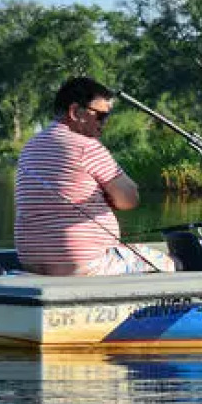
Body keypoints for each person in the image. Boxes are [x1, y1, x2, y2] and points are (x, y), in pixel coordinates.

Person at [13, 77, 156, 276]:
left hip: (31, 263)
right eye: (100, 116)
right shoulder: (85, 146)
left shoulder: (29, 148)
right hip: (85, 265)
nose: (104, 123)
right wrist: (111, 197)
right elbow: (130, 199)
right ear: (75, 112)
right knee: (170, 262)